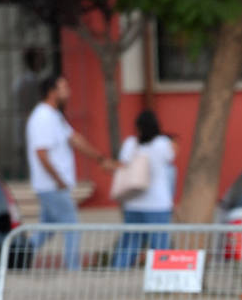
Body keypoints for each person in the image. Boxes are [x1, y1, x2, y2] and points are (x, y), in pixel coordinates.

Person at [25, 74, 113, 270]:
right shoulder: (42, 117)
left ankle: (15, 257)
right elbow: (41, 153)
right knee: (73, 227)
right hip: (52, 186)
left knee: (46, 231)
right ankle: (73, 269)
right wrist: (59, 180)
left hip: (54, 185)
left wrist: (100, 159)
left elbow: (75, 139)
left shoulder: (56, 117)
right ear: (52, 92)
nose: (69, 92)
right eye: (64, 88)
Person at [111, 110, 177, 269]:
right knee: (160, 245)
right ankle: (162, 277)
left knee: (130, 243)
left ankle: (117, 274)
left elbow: (122, 165)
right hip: (158, 204)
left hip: (134, 202)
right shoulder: (162, 143)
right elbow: (170, 159)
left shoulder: (130, 144)